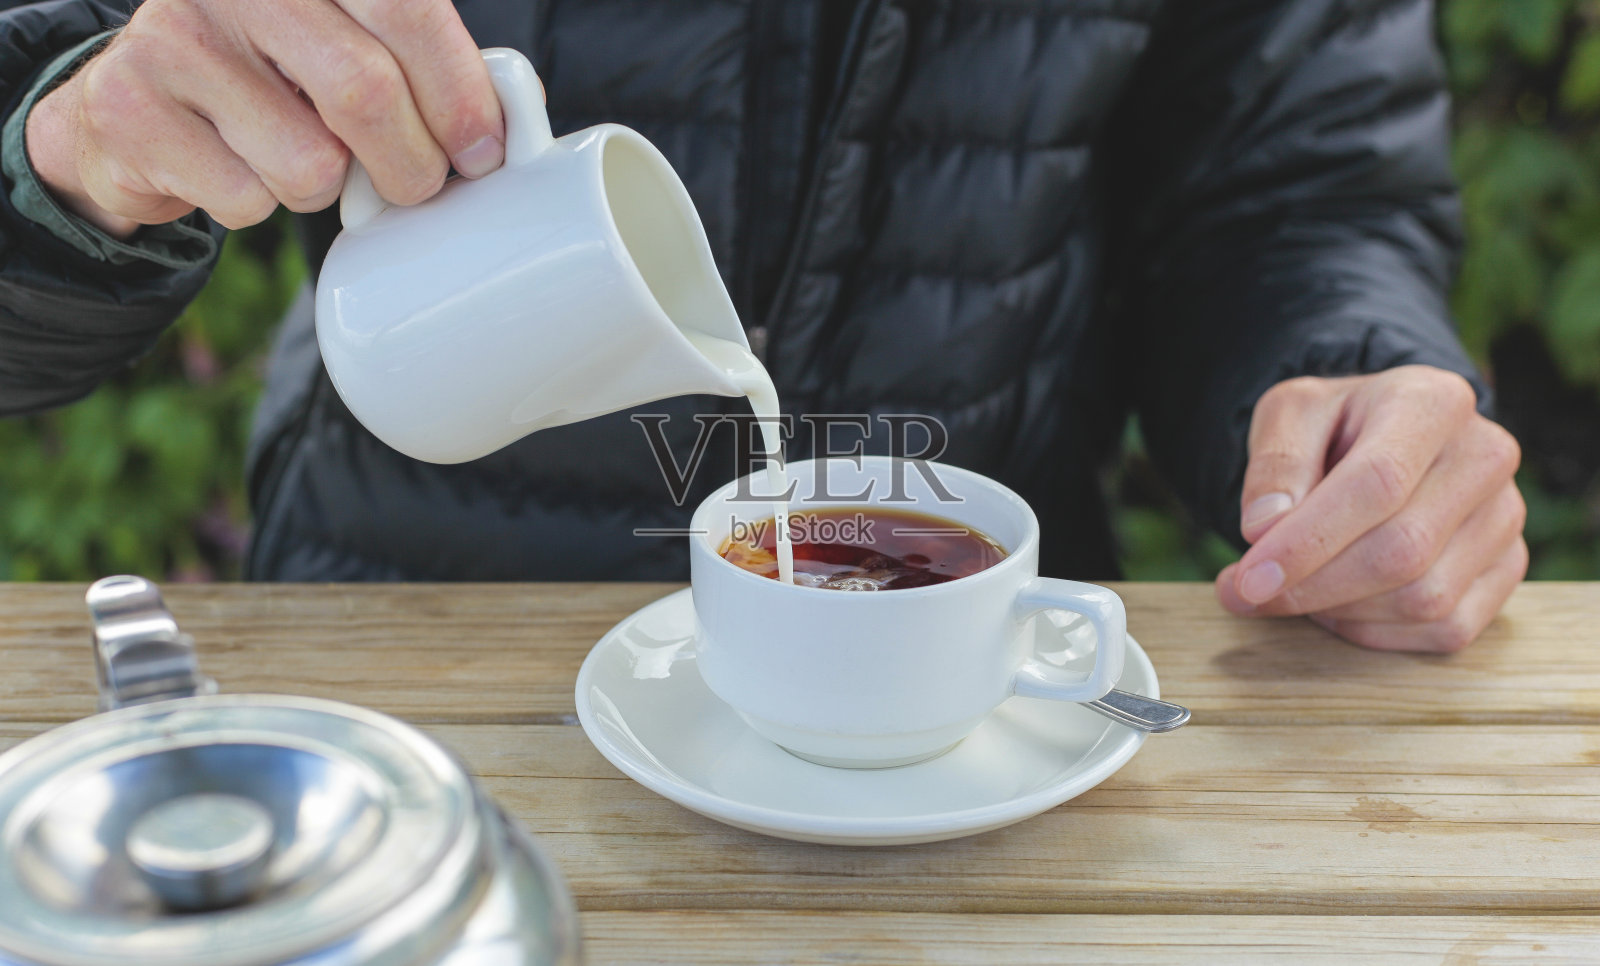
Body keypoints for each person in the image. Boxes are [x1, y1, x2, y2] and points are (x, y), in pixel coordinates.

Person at [0, 0, 1526, 652]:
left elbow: (1292, 189)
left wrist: (1347, 385)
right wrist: (67, 158)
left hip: (970, 709)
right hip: (411, 652)